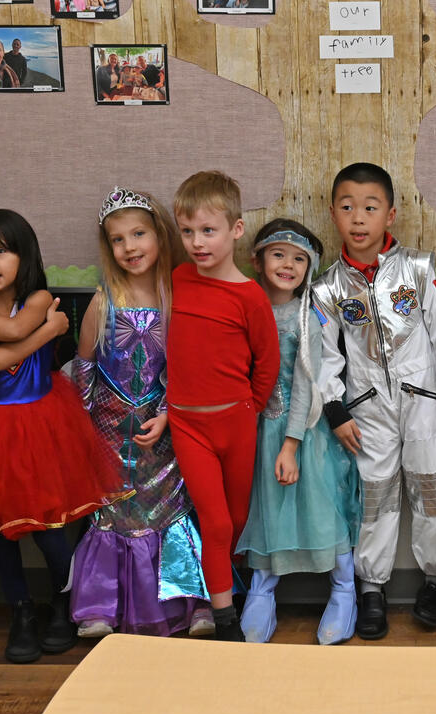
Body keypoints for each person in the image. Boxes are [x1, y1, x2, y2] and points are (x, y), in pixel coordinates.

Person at [0, 209, 127, 663]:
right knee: (0, 532)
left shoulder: (39, 298)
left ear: (23, 256)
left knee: (50, 528)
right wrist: (50, 329)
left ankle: (66, 602)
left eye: (1, 250)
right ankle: (21, 612)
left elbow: (12, 333)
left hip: (43, 423)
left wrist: (23, 325)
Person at [311, 162, 436, 640]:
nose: (358, 218)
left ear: (391, 215)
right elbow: (323, 359)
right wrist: (335, 410)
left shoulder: (418, 269)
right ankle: (372, 589)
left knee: (430, 491)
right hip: (366, 409)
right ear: (334, 214)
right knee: (376, 497)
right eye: (347, 208)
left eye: (370, 207)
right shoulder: (326, 288)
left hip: (425, 401)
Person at [67, 187, 213, 639]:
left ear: (159, 235)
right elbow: (85, 368)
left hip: (165, 430)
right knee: (112, 514)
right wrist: (83, 432)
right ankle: (100, 606)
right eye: (118, 239)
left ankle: (191, 605)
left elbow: (188, 366)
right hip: (111, 434)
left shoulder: (179, 296)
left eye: (139, 234)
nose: (130, 247)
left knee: (171, 510)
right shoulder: (104, 300)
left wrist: (170, 413)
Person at [236, 219, 363, 645]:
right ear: (258, 260)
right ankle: (262, 588)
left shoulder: (309, 316)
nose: (288, 264)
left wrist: (291, 445)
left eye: (299, 258)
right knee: (269, 508)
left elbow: (308, 382)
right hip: (259, 429)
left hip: (304, 433)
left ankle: (344, 589)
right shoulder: (246, 307)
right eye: (278, 254)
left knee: (320, 508)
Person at [167, 170, 280, 642]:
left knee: (234, 522)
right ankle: (225, 621)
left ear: (235, 230)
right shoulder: (177, 279)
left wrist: (248, 407)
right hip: (187, 424)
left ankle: (223, 582)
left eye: (208, 231)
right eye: (188, 231)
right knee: (213, 521)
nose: (196, 242)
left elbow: (267, 360)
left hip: (236, 424)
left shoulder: (251, 296)